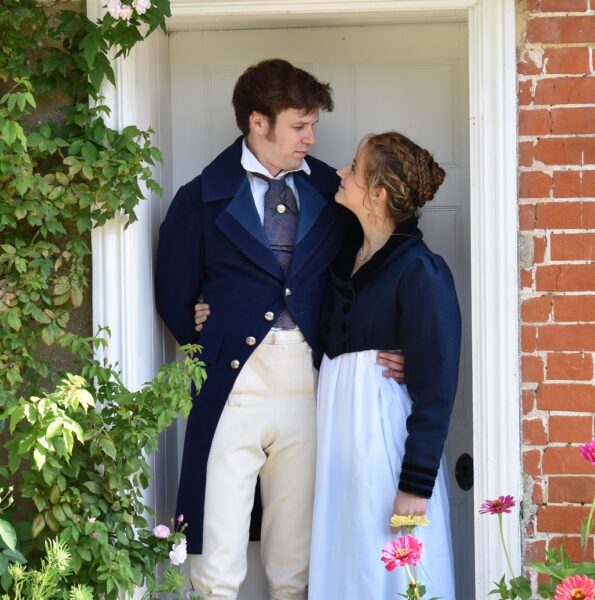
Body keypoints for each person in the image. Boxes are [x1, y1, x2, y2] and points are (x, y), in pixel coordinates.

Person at [155, 59, 404, 600]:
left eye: (313, 124)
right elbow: (173, 294)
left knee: (295, 564)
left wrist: (398, 341)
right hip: (230, 393)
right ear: (257, 123)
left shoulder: (334, 193)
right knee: (215, 561)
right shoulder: (200, 198)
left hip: (311, 393)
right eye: (299, 125)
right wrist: (200, 328)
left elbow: (383, 260)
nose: (311, 138)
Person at [307, 132, 461, 600]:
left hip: (383, 442)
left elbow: (437, 387)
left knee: (392, 570)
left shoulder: (419, 269)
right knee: (346, 566)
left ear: (377, 193)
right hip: (338, 443)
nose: (339, 172)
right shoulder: (347, 256)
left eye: (353, 168)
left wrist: (415, 486)